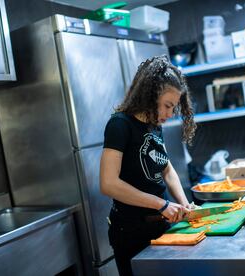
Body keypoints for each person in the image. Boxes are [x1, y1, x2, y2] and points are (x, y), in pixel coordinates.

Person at [100, 55, 197, 276]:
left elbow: (167, 168)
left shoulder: (154, 125)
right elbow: (108, 183)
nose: (170, 114)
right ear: (149, 95)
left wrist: (185, 205)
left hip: (160, 226)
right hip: (131, 232)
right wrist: (161, 205)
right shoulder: (119, 125)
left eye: (174, 108)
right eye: (167, 106)